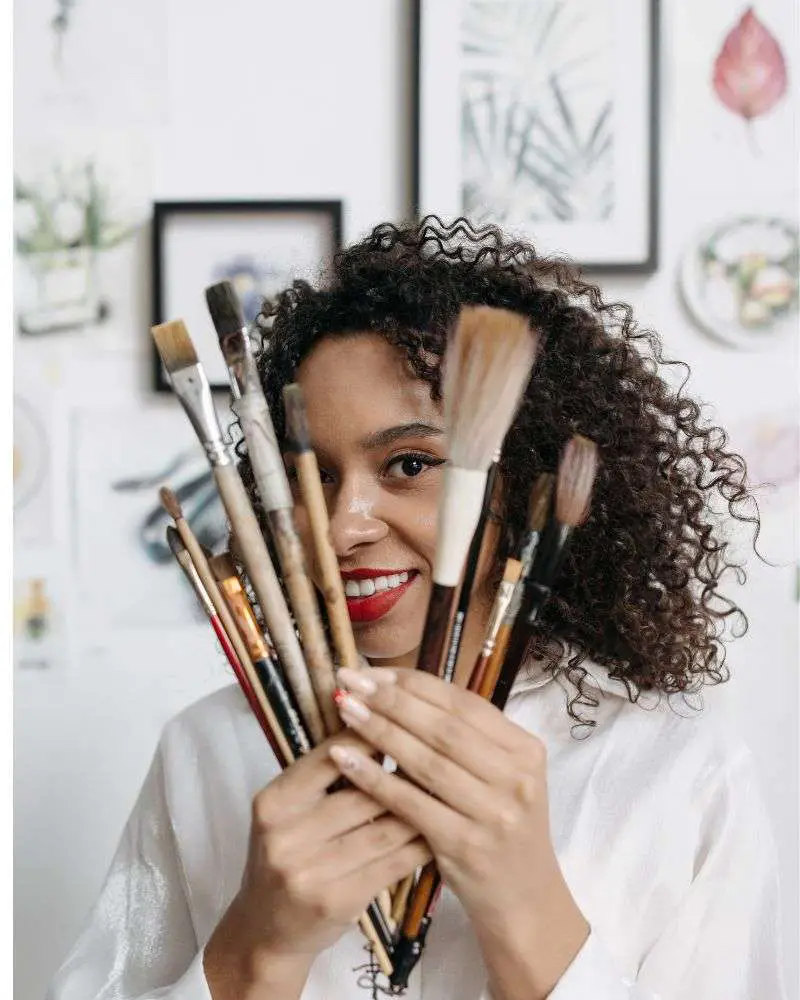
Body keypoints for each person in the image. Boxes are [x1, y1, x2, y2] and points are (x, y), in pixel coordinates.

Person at [47, 217, 787, 1000]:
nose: (341, 526)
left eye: (408, 464)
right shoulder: (207, 751)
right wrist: (255, 951)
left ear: (516, 477)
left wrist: (530, 913)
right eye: (314, 478)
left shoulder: (676, 770)